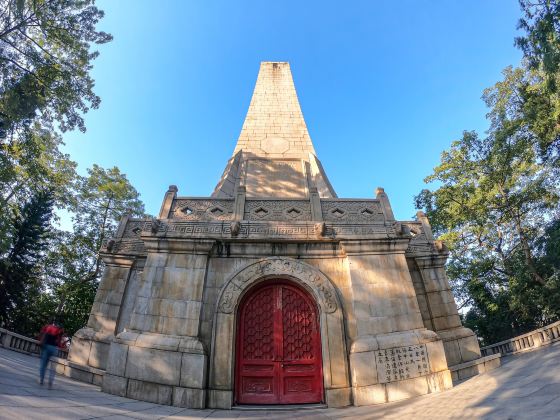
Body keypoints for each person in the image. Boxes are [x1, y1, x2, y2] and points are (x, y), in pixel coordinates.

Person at [38, 320, 64, 388]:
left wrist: (41, 343)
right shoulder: (60, 330)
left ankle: (41, 379)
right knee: (53, 367)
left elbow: (43, 335)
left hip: (46, 347)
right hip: (54, 348)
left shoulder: (48, 327)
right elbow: (59, 341)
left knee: (43, 364)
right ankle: (50, 382)